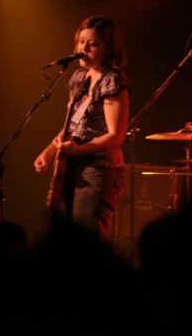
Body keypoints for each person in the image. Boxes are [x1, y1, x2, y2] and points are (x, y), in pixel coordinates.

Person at [33, 16, 131, 241]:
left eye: (93, 44)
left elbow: (116, 137)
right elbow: (72, 124)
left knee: (86, 242)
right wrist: (49, 153)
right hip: (71, 168)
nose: (83, 48)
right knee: (67, 239)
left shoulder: (112, 80)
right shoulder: (79, 77)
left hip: (99, 170)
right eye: (81, 42)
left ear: (108, 49)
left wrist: (77, 150)